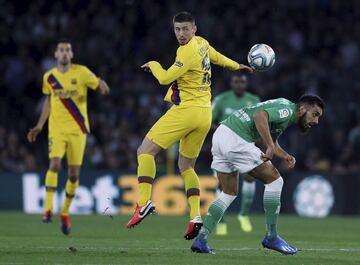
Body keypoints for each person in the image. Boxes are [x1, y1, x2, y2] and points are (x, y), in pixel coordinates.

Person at [126, 11, 253, 241]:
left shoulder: (186, 51)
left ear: (194, 28)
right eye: (177, 29)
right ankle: (195, 216)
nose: (181, 34)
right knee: (186, 166)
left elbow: (164, 78)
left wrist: (153, 64)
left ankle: (143, 203)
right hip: (205, 114)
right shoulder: (202, 43)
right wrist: (237, 66)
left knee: (144, 152)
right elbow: (217, 57)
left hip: (187, 111)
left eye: (185, 29)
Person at [191, 95, 324, 254]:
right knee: (275, 181)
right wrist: (268, 146)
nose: (316, 121)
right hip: (237, 138)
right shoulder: (287, 111)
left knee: (228, 192)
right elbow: (259, 116)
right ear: (302, 109)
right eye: (314, 114)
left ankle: (201, 240)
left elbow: (271, 140)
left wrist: (284, 155)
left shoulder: (284, 108)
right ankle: (271, 237)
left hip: (222, 134)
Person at [27, 40, 110, 235]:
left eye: (68, 50)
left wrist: (103, 86)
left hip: (78, 130)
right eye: (61, 50)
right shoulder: (49, 77)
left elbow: (100, 86)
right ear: (56, 55)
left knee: (73, 175)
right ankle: (47, 210)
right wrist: (40, 125)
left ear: (71, 55)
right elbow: (49, 101)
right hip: (56, 130)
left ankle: (64, 212)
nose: (64, 53)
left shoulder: (82, 72)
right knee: (54, 165)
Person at [212, 73, 260, 235]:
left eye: (242, 82)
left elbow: (261, 122)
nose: (239, 84)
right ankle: (221, 220)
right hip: (225, 147)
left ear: (246, 84)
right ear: (231, 83)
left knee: (249, 177)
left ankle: (244, 214)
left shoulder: (254, 100)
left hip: (245, 146)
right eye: (236, 81)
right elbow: (209, 121)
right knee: (222, 184)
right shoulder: (221, 99)